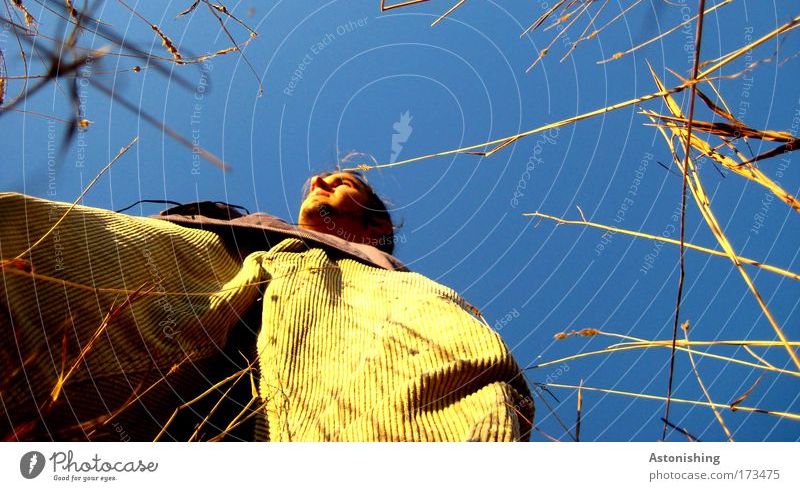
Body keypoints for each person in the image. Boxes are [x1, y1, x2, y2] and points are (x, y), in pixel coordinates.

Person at [0, 171, 533, 441]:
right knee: (27, 239)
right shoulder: (233, 228)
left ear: (378, 226)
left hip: (351, 286)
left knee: (402, 391)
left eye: (343, 183)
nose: (322, 179)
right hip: (221, 256)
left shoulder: (384, 275)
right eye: (323, 178)